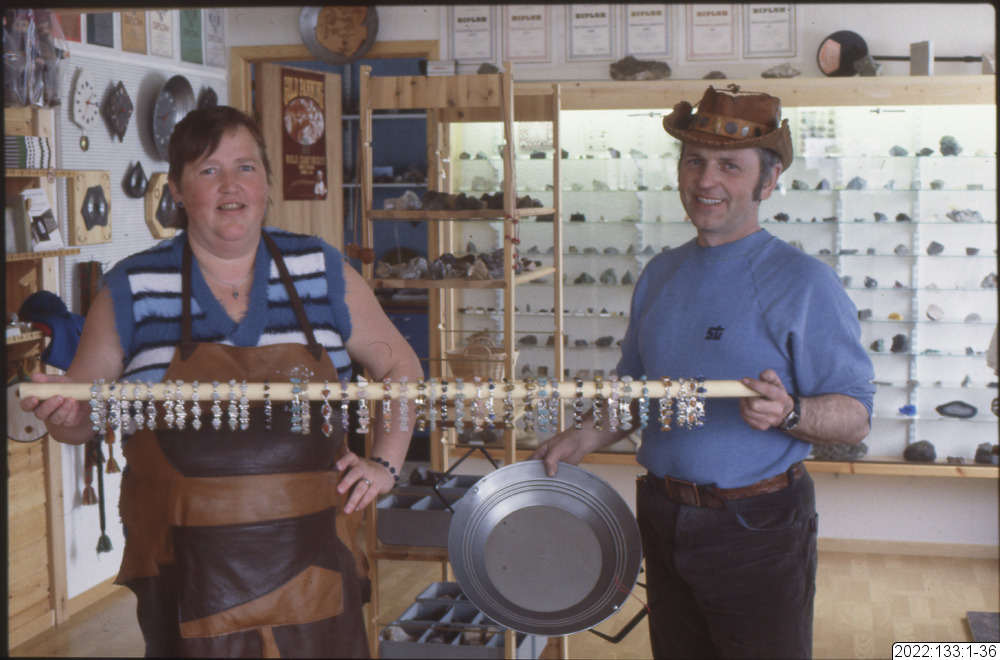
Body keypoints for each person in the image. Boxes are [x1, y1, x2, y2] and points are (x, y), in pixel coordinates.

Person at [20, 105, 423, 658]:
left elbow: (401, 368)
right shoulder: (132, 288)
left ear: (266, 183)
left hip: (316, 573)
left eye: (245, 167)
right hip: (183, 579)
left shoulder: (322, 271)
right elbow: (81, 419)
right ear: (177, 190)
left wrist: (386, 465)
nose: (230, 185)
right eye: (208, 170)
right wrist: (64, 416)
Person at [531, 85, 875, 659]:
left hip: (757, 525)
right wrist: (580, 437)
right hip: (660, 513)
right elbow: (635, 392)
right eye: (694, 161)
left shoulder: (804, 282)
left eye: (730, 166)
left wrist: (791, 412)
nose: (706, 180)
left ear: (769, 181)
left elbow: (857, 416)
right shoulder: (660, 274)